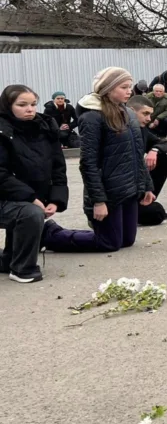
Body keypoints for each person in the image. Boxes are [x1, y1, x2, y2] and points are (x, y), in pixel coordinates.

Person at [0, 86, 100, 281]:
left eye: (33, 104)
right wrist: (31, 198)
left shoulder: (45, 127)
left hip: (28, 197)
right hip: (7, 198)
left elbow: (57, 168)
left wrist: (55, 199)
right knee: (30, 213)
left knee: (29, 211)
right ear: (7, 106)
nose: (30, 109)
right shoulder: (2, 130)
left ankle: (10, 259)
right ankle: (22, 269)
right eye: (22, 105)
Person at [78, 68, 156, 252]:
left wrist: (146, 186)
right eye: (124, 87)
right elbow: (88, 163)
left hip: (128, 190)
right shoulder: (92, 117)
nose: (129, 91)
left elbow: (137, 154)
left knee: (127, 240)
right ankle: (51, 234)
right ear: (108, 88)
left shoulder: (128, 113)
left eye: (130, 86)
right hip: (108, 194)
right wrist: (98, 201)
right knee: (109, 243)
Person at [127, 96, 167, 226]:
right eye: (145, 114)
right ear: (131, 111)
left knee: (164, 159)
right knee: (156, 213)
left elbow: (163, 143)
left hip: (136, 184)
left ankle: (146, 200)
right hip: (120, 190)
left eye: (150, 114)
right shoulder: (118, 132)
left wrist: (155, 150)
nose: (149, 119)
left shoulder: (141, 130)